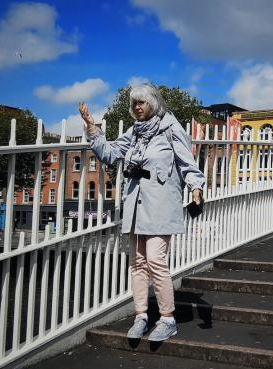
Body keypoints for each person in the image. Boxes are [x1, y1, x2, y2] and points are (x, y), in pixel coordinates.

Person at [78, 84, 205, 340]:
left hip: (160, 206)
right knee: (137, 264)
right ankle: (141, 315)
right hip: (136, 206)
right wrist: (93, 128)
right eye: (134, 103)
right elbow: (111, 155)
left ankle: (168, 319)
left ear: (153, 104)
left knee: (156, 261)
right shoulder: (134, 132)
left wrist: (195, 187)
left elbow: (187, 163)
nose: (137, 108)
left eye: (142, 103)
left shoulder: (170, 129)